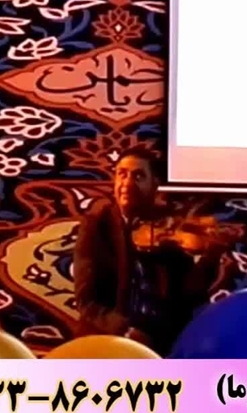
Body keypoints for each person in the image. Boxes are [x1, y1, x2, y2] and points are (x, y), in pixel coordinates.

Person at [72, 147, 226, 354]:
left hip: (160, 343)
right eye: (122, 174)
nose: (127, 183)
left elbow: (189, 296)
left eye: (138, 176)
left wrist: (211, 256)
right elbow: (86, 301)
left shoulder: (170, 225)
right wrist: (125, 331)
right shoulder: (96, 225)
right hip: (107, 341)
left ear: (155, 185)